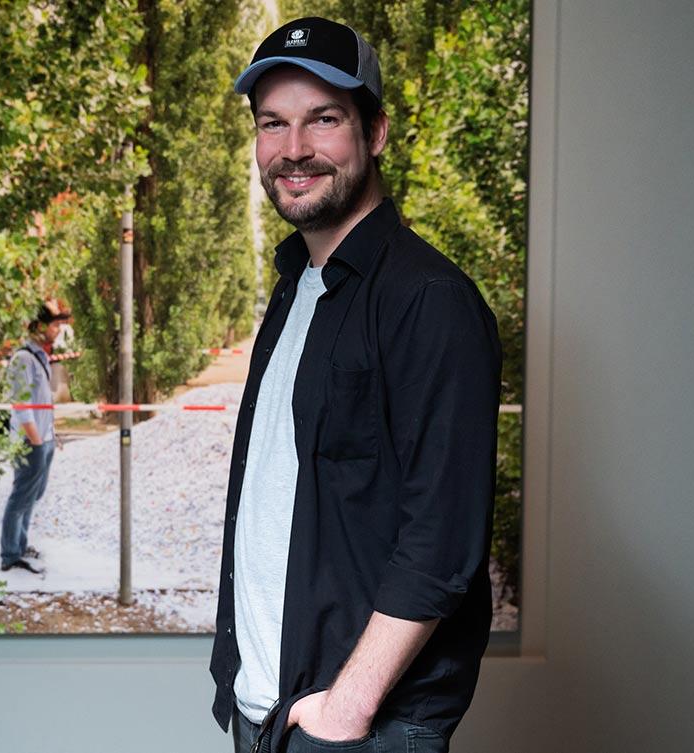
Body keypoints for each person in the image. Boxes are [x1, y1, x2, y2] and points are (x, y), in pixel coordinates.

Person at [210, 17, 504, 753]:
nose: (294, 149)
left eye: (324, 120)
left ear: (375, 133)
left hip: (355, 731)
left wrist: (346, 709)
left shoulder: (428, 299)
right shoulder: (295, 288)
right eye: (273, 123)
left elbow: (441, 542)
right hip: (268, 713)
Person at [0, 301, 69, 575]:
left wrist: (51, 435)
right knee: (21, 495)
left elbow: (43, 402)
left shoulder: (40, 356)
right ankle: (10, 553)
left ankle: (20, 543)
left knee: (34, 494)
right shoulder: (23, 359)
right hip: (31, 440)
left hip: (45, 437)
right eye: (54, 325)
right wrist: (36, 440)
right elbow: (22, 404)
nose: (58, 330)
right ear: (39, 327)